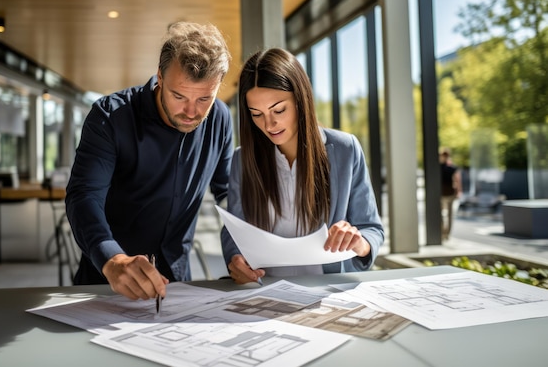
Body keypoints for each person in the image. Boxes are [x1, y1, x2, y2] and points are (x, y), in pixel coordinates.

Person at [65, 21, 233, 300]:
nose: (191, 112)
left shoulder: (220, 119)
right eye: (179, 96)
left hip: (177, 284)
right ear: (160, 77)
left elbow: (228, 194)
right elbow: (84, 195)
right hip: (106, 279)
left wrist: (239, 251)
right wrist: (112, 257)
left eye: (204, 98)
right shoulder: (110, 117)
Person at [221, 48, 384, 284]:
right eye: (256, 114)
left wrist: (358, 242)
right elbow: (234, 229)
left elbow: (371, 228)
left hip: (328, 294)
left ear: (301, 99)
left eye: (279, 110)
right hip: (264, 292)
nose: (269, 124)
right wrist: (235, 258)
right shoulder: (243, 160)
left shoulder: (345, 150)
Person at [440, 147, 461, 241]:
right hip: (442, 194)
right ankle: (443, 233)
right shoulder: (440, 167)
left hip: (449, 194)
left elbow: (457, 180)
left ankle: (446, 234)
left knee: (448, 215)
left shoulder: (451, 168)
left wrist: (458, 191)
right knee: (444, 215)